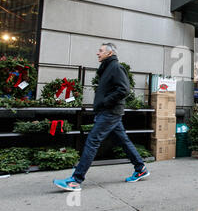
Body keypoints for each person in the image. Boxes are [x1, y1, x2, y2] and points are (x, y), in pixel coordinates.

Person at [53, 43, 149, 191]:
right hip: (109, 112)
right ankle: (140, 168)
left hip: (110, 112)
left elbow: (124, 89)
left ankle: (75, 180)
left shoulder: (116, 67)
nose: (97, 53)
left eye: (100, 51)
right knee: (123, 141)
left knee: (92, 141)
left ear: (110, 53)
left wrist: (105, 102)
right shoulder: (107, 68)